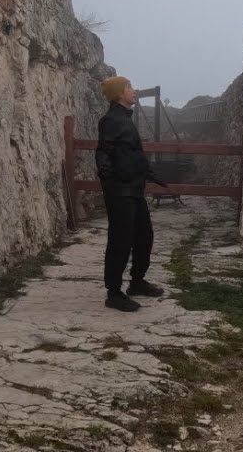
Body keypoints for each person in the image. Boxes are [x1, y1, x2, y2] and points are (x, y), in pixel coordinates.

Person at [95, 75, 166, 312]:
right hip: (120, 191)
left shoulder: (125, 118)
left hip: (134, 190)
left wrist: (147, 171)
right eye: (129, 87)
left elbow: (132, 153)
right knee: (120, 241)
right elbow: (103, 152)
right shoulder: (111, 120)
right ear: (118, 94)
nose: (133, 90)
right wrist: (109, 181)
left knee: (144, 236)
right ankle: (113, 293)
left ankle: (137, 282)